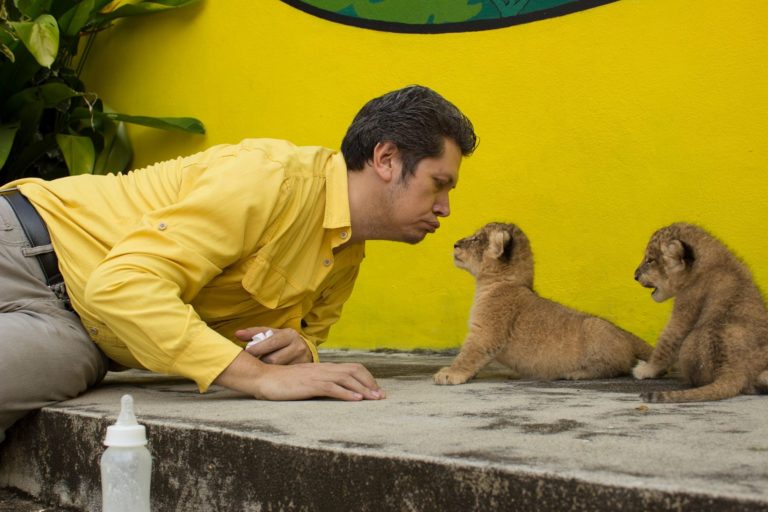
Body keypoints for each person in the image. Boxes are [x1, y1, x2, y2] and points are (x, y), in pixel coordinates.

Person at [0, 85, 477, 441]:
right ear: (386, 158)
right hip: (26, 244)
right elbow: (124, 283)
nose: (445, 209)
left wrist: (298, 351)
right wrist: (262, 378)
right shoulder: (270, 179)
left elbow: (306, 338)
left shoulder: (347, 255)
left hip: (84, 337)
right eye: (439, 184)